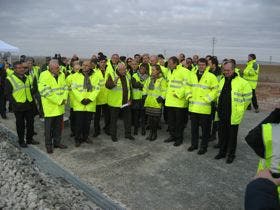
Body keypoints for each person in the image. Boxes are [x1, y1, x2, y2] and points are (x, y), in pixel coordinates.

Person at [214, 60, 252, 163]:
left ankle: (231, 154)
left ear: (233, 69)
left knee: (232, 137)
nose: (225, 72)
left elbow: (248, 98)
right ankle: (222, 152)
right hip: (221, 113)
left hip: (233, 114)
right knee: (222, 135)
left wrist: (240, 109)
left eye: (228, 70)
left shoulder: (243, 82)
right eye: (224, 70)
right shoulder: (222, 80)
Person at [186, 58, 218, 154]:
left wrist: (207, 99)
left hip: (205, 108)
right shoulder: (192, 75)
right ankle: (194, 145)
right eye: (199, 64)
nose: (201, 66)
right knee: (194, 129)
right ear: (197, 65)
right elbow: (187, 86)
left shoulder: (211, 76)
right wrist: (189, 96)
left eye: (203, 65)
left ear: (206, 66)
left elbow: (215, 90)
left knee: (205, 130)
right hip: (193, 107)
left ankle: (203, 147)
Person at [5, 61, 39, 147]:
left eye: (23, 68)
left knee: (30, 123)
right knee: (20, 125)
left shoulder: (27, 77)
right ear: (15, 69)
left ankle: (29, 139)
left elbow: (29, 90)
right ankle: (21, 141)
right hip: (18, 106)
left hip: (29, 104)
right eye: (19, 68)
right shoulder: (10, 79)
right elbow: (8, 94)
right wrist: (15, 104)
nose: (21, 69)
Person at [38, 59, 68, 153]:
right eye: (56, 68)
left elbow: (65, 88)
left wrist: (64, 99)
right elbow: (45, 91)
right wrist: (59, 100)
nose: (58, 69)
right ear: (50, 68)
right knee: (48, 129)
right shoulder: (44, 75)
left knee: (58, 127)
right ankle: (48, 145)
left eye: (58, 67)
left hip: (60, 107)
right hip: (50, 108)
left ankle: (57, 142)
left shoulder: (62, 74)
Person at [70, 60, 100, 147]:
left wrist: (90, 99)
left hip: (90, 104)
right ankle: (77, 139)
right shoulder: (75, 76)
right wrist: (82, 99)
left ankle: (85, 137)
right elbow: (74, 89)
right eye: (83, 65)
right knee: (79, 123)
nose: (85, 67)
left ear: (91, 66)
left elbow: (97, 89)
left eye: (87, 65)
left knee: (87, 123)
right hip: (79, 104)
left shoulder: (95, 76)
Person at [164, 56, 190, 147]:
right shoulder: (169, 72)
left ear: (175, 63)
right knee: (171, 121)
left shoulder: (184, 71)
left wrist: (178, 94)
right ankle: (172, 136)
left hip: (179, 102)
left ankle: (179, 138)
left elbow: (187, 84)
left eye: (170, 64)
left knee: (179, 122)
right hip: (170, 101)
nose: (168, 65)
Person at [105, 62, 134, 142]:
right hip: (115, 103)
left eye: (125, 69)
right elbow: (108, 86)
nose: (124, 71)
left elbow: (130, 88)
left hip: (126, 103)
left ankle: (128, 134)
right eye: (122, 70)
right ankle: (113, 136)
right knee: (113, 121)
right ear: (118, 69)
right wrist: (114, 82)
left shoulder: (127, 75)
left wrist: (131, 99)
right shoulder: (112, 75)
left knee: (128, 119)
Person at [143, 65, 167, 141]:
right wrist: (144, 95)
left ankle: (154, 133)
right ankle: (150, 133)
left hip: (157, 102)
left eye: (153, 70)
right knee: (150, 120)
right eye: (151, 70)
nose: (152, 71)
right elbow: (145, 87)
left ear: (158, 71)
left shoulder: (162, 80)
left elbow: (165, 90)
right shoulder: (149, 79)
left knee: (155, 120)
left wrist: (161, 98)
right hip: (149, 102)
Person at [93, 56, 110, 137]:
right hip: (98, 97)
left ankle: (107, 129)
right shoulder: (94, 72)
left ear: (106, 63)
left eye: (104, 62)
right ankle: (97, 130)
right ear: (98, 63)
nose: (103, 64)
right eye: (101, 62)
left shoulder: (109, 71)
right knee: (97, 116)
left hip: (107, 97)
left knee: (107, 116)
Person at [208, 56, 222, 144]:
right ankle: (208, 134)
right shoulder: (208, 72)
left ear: (214, 64)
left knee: (215, 120)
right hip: (209, 99)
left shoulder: (220, 74)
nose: (207, 65)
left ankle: (213, 135)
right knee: (209, 118)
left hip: (216, 100)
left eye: (209, 64)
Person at [131, 63, 149, 135]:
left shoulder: (148, 77)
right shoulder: (134, 75)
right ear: (139, 68)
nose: (142, 70)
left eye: (144, 69)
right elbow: (134, 85)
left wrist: (140, 85)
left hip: (144, 98)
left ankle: (143, 129)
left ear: (146, 70)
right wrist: (142, 85)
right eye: (141, 68)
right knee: (136, 115)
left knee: (143, 115)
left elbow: (149, 87)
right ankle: (135, 129)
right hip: (136, 98)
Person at [66, 63, 81, 137]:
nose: (77, 71)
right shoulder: (69, 77)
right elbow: (66, 88)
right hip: (73, 102)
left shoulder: (83, 77)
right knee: (73, 118)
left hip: (81, 102)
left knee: (80, 119)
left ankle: (79, 131)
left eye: (79, 69)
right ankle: (73, 131)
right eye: (76, 69)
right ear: (73, 69)